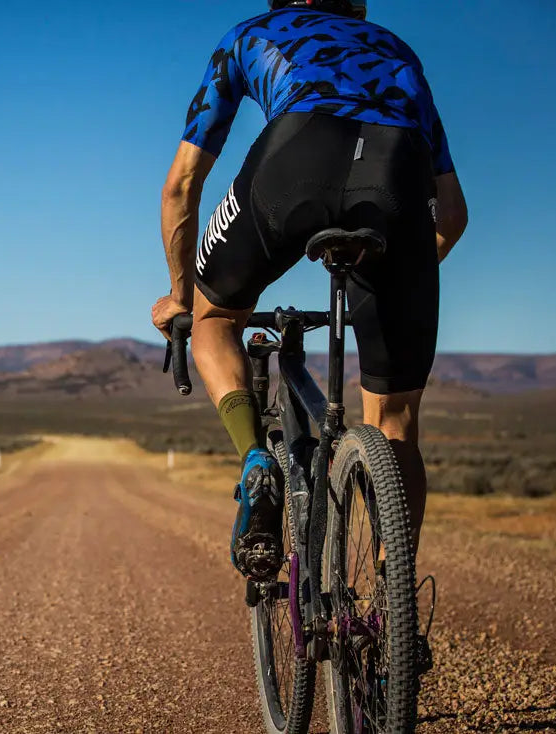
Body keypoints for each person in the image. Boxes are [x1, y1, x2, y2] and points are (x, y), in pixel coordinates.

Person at [151, 0, 468, 582]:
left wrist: (180, 298)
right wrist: (397, 272)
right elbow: (451, 214)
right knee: (395, 422)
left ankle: (254, 458)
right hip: (396, 178)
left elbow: (181, 187)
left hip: (294, 157)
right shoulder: (397, 51)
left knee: (215, 317)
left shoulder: (250, 34)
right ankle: (391, 605)